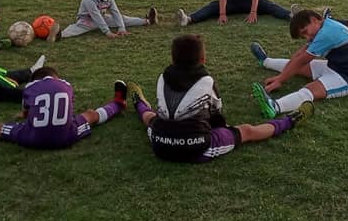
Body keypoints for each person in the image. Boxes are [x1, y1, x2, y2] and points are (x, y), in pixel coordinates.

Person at [127, 34, 313, 163]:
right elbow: (216, 116)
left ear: (172, 58)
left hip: (159, 143)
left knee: (152, 118)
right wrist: (225, 131)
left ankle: (138, 101)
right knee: (247, 131)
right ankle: (291, 120)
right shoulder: (206, 81)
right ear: (203, 59)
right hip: (197, 148)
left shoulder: (162, 77)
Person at [0, 67, 127, 149]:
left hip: (33, 138)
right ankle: (118, 103)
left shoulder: (30, 88)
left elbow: (26, 112)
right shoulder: (66, 85)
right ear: (56, 77)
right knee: (90, 115)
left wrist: (24, 114)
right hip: (67, 136)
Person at [249, 8, 348, 118]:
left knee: (310, 89)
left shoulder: (326, 34)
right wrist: (281, 77)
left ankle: (275, 106)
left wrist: (280, 80)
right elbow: (299, 55)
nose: (307, 37)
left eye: (305, 32)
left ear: (314, 20)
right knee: (297, 66)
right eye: (303, 36)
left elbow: (301, 60)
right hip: (334, 66)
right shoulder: (324, 27)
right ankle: (266, 61)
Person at [60, 0, 157, 39]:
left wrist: (121, 28)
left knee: (123, 19)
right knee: (78, 29)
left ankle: (148, 21)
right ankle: (59, 35)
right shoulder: (89, 0)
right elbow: (96, 17)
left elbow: (116, 13)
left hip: (102, 17)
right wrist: (107, 32)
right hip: (87, 20)